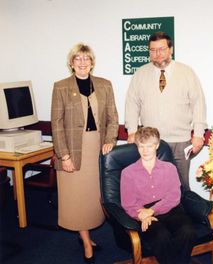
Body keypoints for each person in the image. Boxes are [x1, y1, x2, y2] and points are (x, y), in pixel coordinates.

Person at [51, 43, 119, 263]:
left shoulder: (104, 85)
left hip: (96, 148)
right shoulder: (61, 87)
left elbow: (112, 117)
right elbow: (56, 124)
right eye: (78, 59)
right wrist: (64, 156)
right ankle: (87, 242)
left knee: (93, 199)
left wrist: (110, 140)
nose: (82, 63)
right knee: (77, 199)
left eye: (86, 59)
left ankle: (87, 235)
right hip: (72, 150)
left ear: (92, 62)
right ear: (71, 63)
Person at [125, 31, 207, 191]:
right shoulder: (140, 74)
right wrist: (132, 131)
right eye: (153, 50)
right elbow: (132, 104)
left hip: (181, 141)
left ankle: (183, 216)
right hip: (150, 143)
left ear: (171, 49)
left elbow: (198, 104)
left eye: (162, 49)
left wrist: (198, 134)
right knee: (153, 188)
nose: (157, 54)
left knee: (181, 187)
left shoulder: (187, 73)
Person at [120, 127, 196, 264]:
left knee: (188, 231)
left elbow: (174, 196)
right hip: (143, 211)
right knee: (161, 236)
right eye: (141, 146)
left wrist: (152, 210)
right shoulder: (128, 173)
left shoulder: (169, 168)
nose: (145, 150)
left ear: (157, 146)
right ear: (137, 146)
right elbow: (128, 203)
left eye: (149, 146)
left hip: (169, 208)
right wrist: (141, 215)